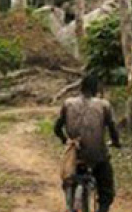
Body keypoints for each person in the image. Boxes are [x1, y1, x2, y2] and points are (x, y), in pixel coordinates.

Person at [54, 74, 121, 212]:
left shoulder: (68, 103)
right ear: (96, 89)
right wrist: (116, 142)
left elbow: (57, 128)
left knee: (68, 178)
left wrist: (65, 140)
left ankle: (69, 202)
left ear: (81, 87)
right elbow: (113, 128)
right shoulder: (103, 105)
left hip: (75, 154)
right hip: (97, 155)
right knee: (106, 189)